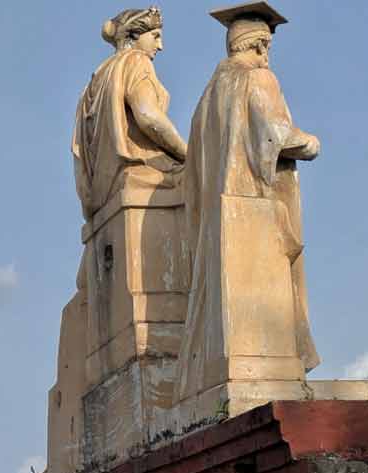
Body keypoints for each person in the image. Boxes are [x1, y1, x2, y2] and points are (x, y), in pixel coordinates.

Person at [176, 3, 320, 403]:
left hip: (216, 219)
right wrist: (311, 143)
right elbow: (276, 135)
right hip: (254, 207)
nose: (268, 53)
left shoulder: (208, 96)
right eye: (266, 44)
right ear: (256, 44)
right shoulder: (259, 79)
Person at [73, 6, 186, 220]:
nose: (160, 46)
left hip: (103, 190)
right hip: (140, 172)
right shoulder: (136, 60)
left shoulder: (94, 82)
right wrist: (189, 155)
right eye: (155, 36)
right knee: (205, 180)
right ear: (135, 35)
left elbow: (80, 153)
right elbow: (148, 117)